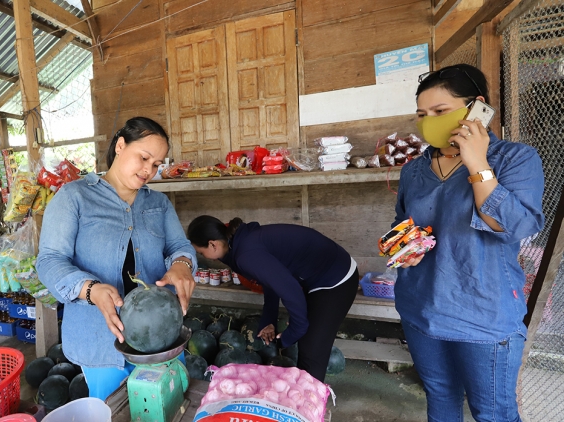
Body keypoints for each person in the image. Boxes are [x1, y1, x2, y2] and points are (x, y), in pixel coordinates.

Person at [393, 63, 544, 422]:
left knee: (493, 414)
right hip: (421, 310)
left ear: (476, 106)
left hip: (483, 315)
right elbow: (402, 226)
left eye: (440, 112)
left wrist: (477, 161)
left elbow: (513, 226)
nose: (429, 121)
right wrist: (401, 249)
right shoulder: (414, 170)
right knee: (441, 400)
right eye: (422, 115)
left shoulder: (515, 159)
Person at [36, 117, 197, 400]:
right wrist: (90, 289)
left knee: (169, 405)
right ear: (121, 146)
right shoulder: (74, 197)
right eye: (144, 157)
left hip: (160, 337)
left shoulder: (158, 204)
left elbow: (179, 245)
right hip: (99, 340)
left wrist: (182, 265)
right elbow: (50, 260)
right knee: (115, 410)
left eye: (157, 164)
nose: (149, 170)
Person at [187, 216, 358, 382]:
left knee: (312, 350)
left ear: (212, 244)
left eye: (201, 252)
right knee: (308, 341)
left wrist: (291, 334)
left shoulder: (246, 253)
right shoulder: (238, 244)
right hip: (317, 278)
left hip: (337, 279)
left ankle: (309, 404)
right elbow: (271, 281)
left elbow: (290, 290)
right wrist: (269, 319)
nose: (202, 256)